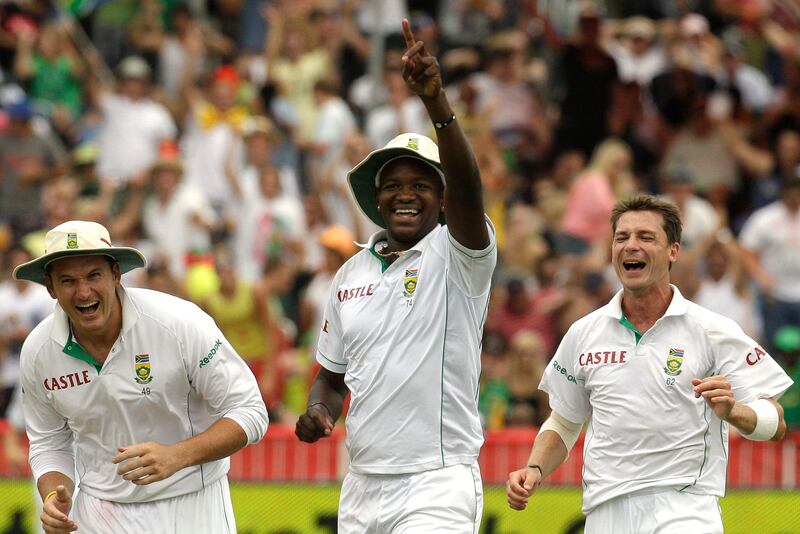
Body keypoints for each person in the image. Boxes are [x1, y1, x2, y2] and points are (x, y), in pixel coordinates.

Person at [294, 19, 496, 533]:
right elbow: (332, 377)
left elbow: (470, 189)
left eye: (421, 184)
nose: (405, 194)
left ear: (443, 198)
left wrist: (436, 104)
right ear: (376, 198)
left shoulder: (459, 254)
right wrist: (320, 412)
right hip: (361, 484)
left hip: (438, 481)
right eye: (393, 185)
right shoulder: (348, 275)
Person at [506, 195, 793, 533]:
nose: (631, 245)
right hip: (605, 510)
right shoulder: (583, 333)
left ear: (673, 250)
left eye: (645, 237)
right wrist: (536, 468)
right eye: (621, 237)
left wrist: (734, 412)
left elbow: (776, 423)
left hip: (684, 506)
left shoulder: (713, 330)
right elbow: (565, 422)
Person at [14, 220, 268, 533]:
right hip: (99, 512)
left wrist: (177, 455)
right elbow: (49, 442)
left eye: (94, 275)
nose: (83, 292)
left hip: (192, 502)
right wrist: (53, 495)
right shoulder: (38, 352)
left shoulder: (179, 323)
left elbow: (251, 411)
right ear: (50, 288)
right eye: (67, 281)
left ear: (116, 275)